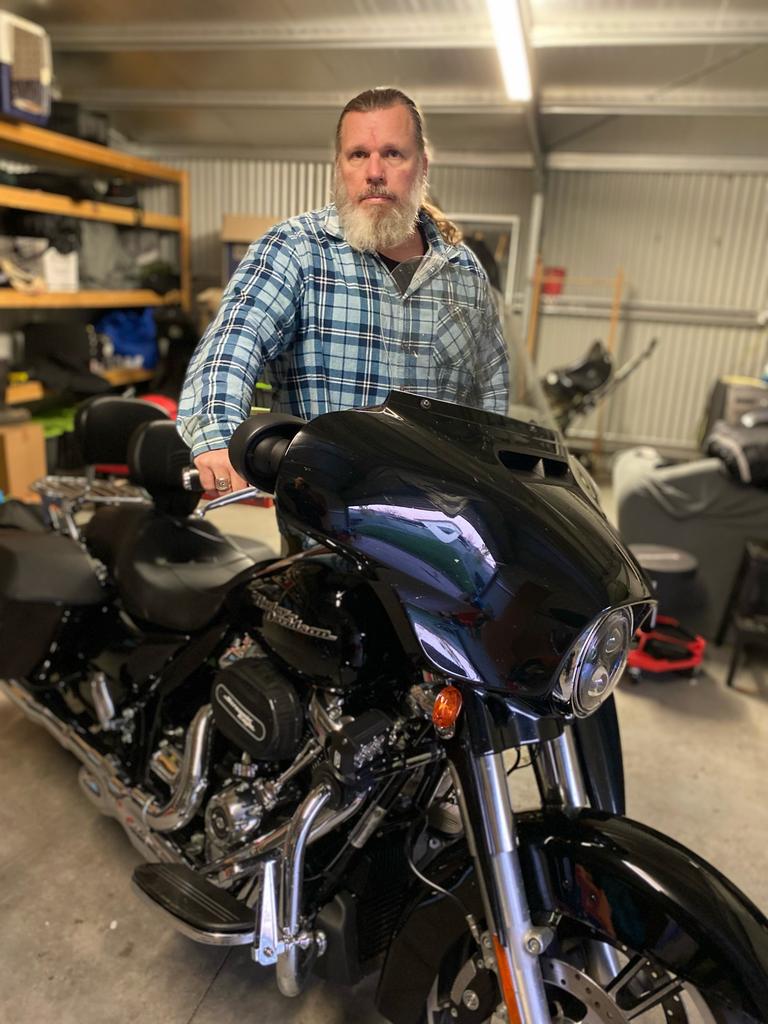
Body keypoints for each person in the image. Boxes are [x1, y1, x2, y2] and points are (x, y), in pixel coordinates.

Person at [177, 86, 508, 495]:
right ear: (339, 167)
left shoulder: (465, 274)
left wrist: (498, 479)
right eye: (358, 155)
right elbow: (233, 341)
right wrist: (218, 432)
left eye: (392, 153)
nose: (374, 172)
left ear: (422, 166)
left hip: (440, 523)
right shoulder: (295, 250)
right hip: (324, 520)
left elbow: (491, 390)